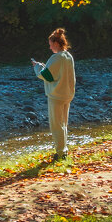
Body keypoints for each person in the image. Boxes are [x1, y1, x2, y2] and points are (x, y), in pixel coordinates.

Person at [31, 27, 76, 160]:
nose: (50, 47)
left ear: (56, 43)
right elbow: (56, 72)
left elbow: (46, 75)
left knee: (56, 125)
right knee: (63, 123)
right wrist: (44, 66)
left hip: (56, 96)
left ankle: (61, 153)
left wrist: (37, 66)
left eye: (51, 45)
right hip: (67, 95)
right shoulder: (68, 56)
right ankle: (64, 150)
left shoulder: (56, 57)